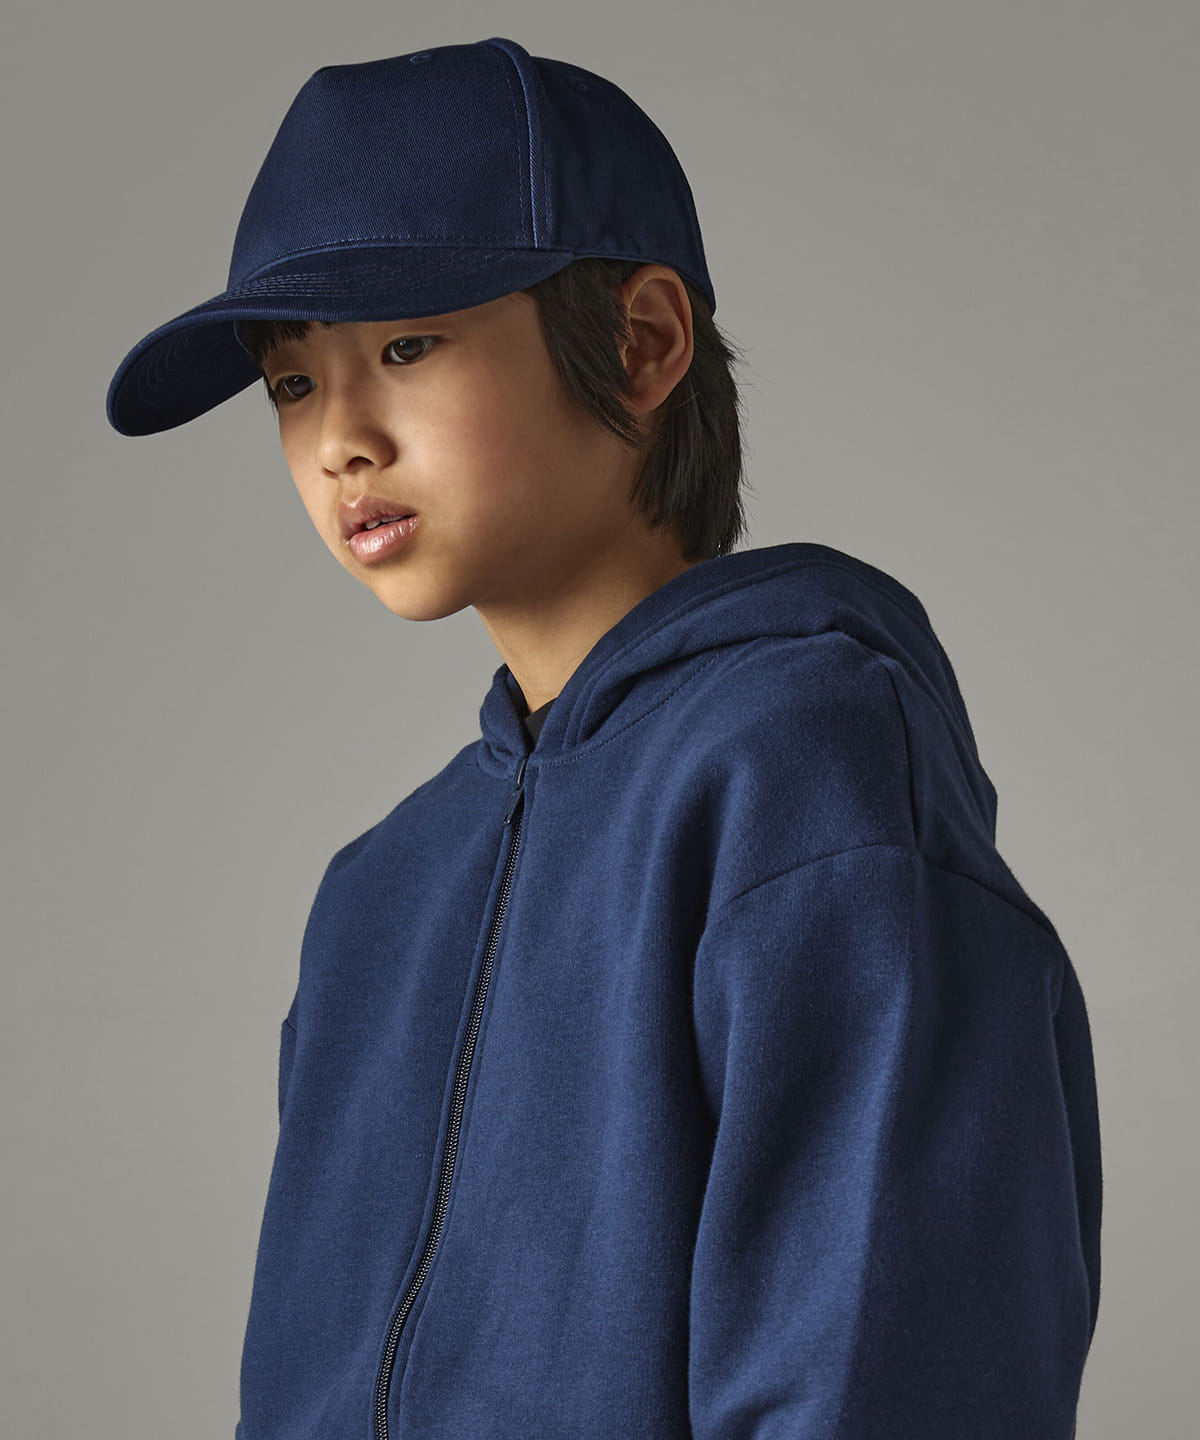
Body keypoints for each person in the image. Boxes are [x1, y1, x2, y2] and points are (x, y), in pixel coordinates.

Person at [105, 36, 1102, 1440]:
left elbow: (887, 1365)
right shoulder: (376, 897)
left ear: (641, 344)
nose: (340, 439)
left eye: (405, 346)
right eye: (291, 384)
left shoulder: (803, 771)